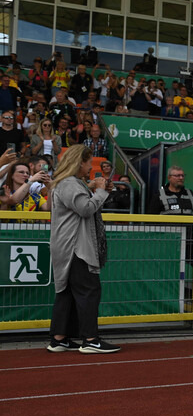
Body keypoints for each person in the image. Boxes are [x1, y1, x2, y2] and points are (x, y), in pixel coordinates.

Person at [47, 145, 120, 354]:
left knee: (67, 292)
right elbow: (85, 208)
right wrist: (101, 191)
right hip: (75, 247)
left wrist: (95, 187)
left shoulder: (66, 183)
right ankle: (90, 339)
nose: (91, 167)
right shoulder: (70, 183)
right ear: (80, 162)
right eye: (89, 163)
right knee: (89, 290)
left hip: (67, 246)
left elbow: (78, 198)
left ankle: (60, 338)